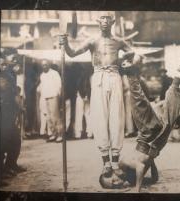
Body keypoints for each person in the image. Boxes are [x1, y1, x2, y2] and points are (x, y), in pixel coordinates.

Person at [59, 11, 141, 177]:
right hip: (98, 78)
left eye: (108, 19)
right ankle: (106, 163)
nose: (105, 21)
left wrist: (128, 62)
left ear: (112, 22)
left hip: (115, 76)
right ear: (98, 22)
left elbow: (136, 55)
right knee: (100, 118)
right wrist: (65, 43)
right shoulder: (92, 41)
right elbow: (72, 53)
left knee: (116, 118)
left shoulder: (119, 41)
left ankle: (116, 162)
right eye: (102, 18)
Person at [98, 60, 180, 192]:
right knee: (171, 113)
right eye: (115, 185)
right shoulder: (129, 178)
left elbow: (140, 166)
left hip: (147, 137)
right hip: (156, 144)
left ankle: (131, 74)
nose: (117, 182)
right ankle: (177, 78)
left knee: (139, 106)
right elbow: (153, 178)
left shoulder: (121, 164)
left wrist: (137, 188)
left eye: (113, 179)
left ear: (111, 172)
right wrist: (151, 161)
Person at [0, 54, 26, 187]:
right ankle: (1, 172)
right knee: (1, 144)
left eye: (5, 64)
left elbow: (15, 93)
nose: (3, 66)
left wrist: (19, 108)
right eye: (1, 64)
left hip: (10, 112)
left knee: (15, 140)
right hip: (1, 114)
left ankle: (11, 165)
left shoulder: (9, 76)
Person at [38, 60, 62, 143]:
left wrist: (57, 95)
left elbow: (59, 85)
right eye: (43, 65)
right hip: (45, 97)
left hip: (53, 96)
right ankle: (53, 134)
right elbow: (42, 87)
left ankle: (59, 135)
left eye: (45, 65)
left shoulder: (54, 73)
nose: (44, 66)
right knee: (48, 117)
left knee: (55, 116)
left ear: (49, 65)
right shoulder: (42, 75)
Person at [74, 65, 93, 139]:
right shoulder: (90, 76)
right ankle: (89, 132)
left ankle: (78, 133)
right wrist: (87, 96)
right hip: (86, 96)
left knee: (79, 114)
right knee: (87, 114)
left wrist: (83, 96)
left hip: (81, 96)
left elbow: (79, 87)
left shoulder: (79, 77)